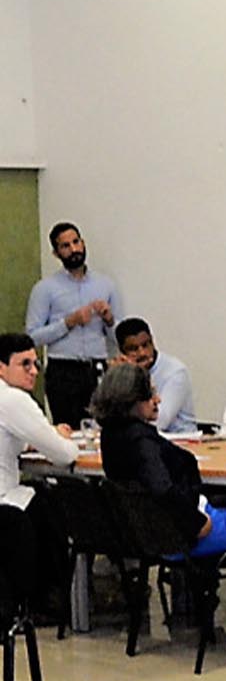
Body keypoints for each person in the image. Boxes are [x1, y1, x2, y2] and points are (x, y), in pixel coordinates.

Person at [93, 362, 226, 600]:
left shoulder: (111, 436)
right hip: (185, 534)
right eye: (151, 394)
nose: (158, 399)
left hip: (148, 535)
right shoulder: (142, 443)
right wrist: (195, 523)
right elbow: (163, 490)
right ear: (133, 400)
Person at [0, 333, 79, 619]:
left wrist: (36, 439)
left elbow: (13, 439)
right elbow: (65, 456)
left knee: (39, 495)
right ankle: (52, 600)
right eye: (25, 364)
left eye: (36, 364)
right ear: (1, 368)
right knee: (50, 501)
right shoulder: (13, 399)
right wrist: (59, 437)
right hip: (4, 504)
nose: (34, 371)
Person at [25, 222, 124, 426]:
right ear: (56, 253)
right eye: (65, 246)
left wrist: (109, 320)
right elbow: (32, 336)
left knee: (102, 426)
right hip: (63, 371)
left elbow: (120, 337)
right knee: (68, 429)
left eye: (76, 242)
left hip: (98, 368)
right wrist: (68, 323)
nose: (74, 249)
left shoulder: (105, 285)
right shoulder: (45, 289)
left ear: (83, 242)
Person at [116, 318, 196, 433]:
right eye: (133, 349)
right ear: (122, 352)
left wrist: (138, 376)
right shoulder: (121, 373)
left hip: (178, 440)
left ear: (152, 342)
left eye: (145, 345)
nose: (142, 353)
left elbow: (159, 422)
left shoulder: (175, 372)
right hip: (141, 440)